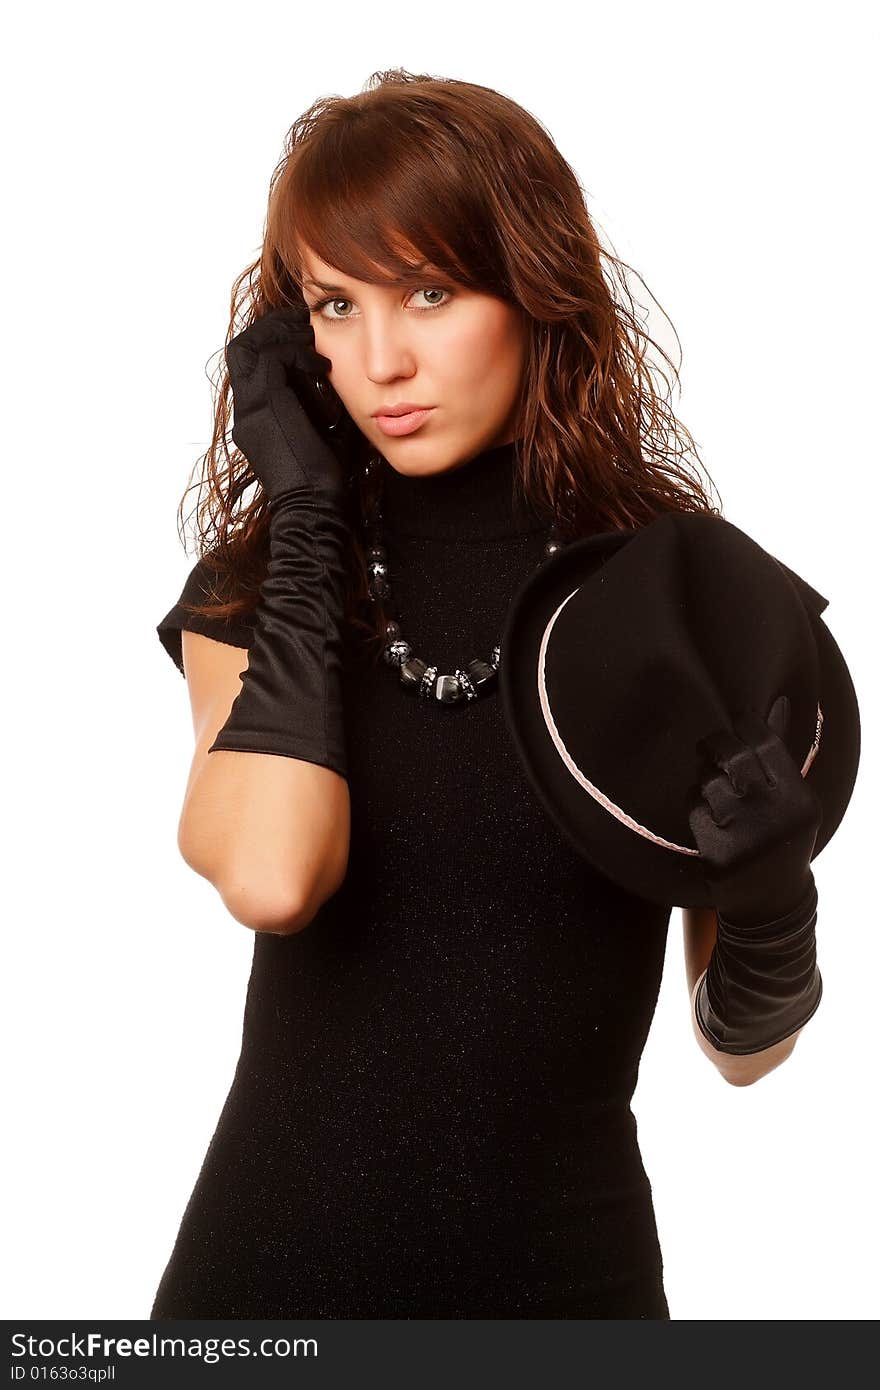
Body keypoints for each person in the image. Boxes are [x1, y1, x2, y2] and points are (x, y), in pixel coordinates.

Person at [150, 69, 743, 1320]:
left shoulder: (668, 585)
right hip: (270, 1291)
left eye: (430, 290)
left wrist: (773, 899)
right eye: (334, 303)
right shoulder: (260, 585)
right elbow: (271, 874)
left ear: (533, 287)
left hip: (570, 1289)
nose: (382, 360)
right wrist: (308, 515)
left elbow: (741, 1047)